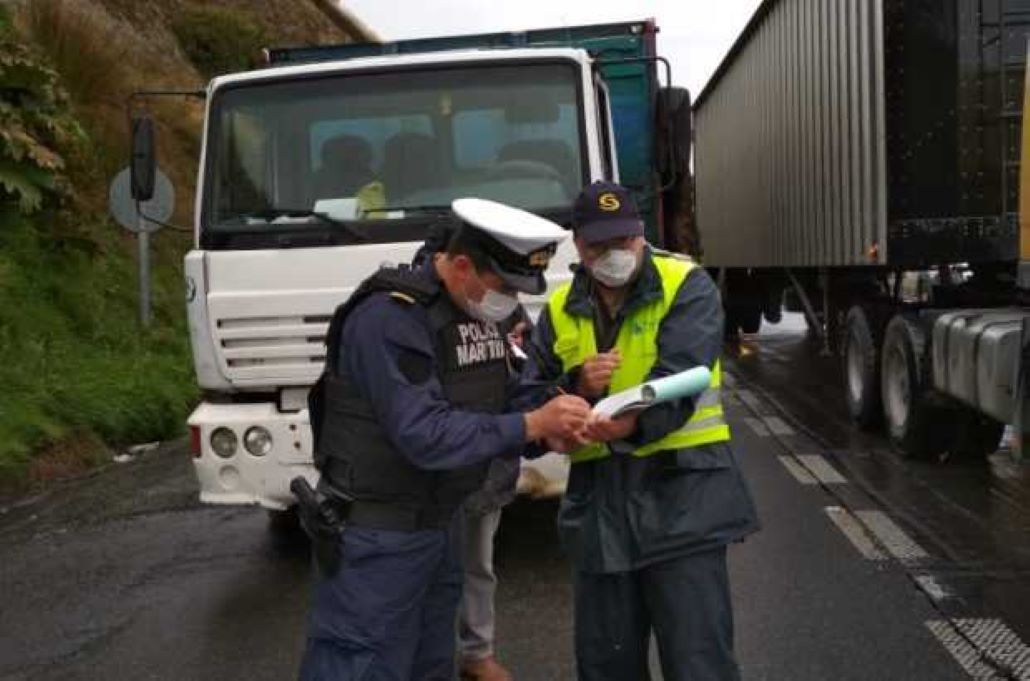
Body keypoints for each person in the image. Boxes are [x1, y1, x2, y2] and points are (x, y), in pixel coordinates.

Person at [299, 197, 591, 681]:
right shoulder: (389, 319)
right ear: (460, 266)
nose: (511, 301)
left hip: (441, 527)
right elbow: (424, 434)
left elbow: (508, 399)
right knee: (362, 665)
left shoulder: (479, 314)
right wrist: (531, 425)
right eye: (504, 286)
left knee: (428, 666)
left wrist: (556, 423)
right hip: (378, 538)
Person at [529, 181, 760, 681]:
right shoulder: (559, 307)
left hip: (682, 499)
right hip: (598, 513)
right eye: (600, 246)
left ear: (640, 235)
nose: (615, 255)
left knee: (699, 663)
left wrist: (627, 421)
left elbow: (683, 370)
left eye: (624, 242)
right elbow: (532, 390)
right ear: (578, 245)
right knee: (605, 665)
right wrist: (571, 390)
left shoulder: (686, 284)